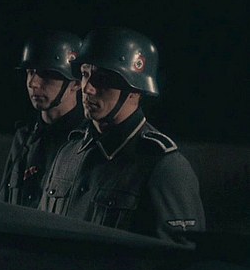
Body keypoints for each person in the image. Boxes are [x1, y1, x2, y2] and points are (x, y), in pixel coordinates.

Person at [38, 27, 205, 244]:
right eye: (85, 75)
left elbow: (178, 256)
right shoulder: (69, 153)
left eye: (103, 78)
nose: (87, 88)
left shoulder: (164, 167)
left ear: (135, 89)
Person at [0, 31, 84, 208]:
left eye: (46, 74)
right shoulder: (25, 137)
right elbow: (3, 202)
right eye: (30, 72)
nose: (33, 83)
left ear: (76, 83)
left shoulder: (84, 143)